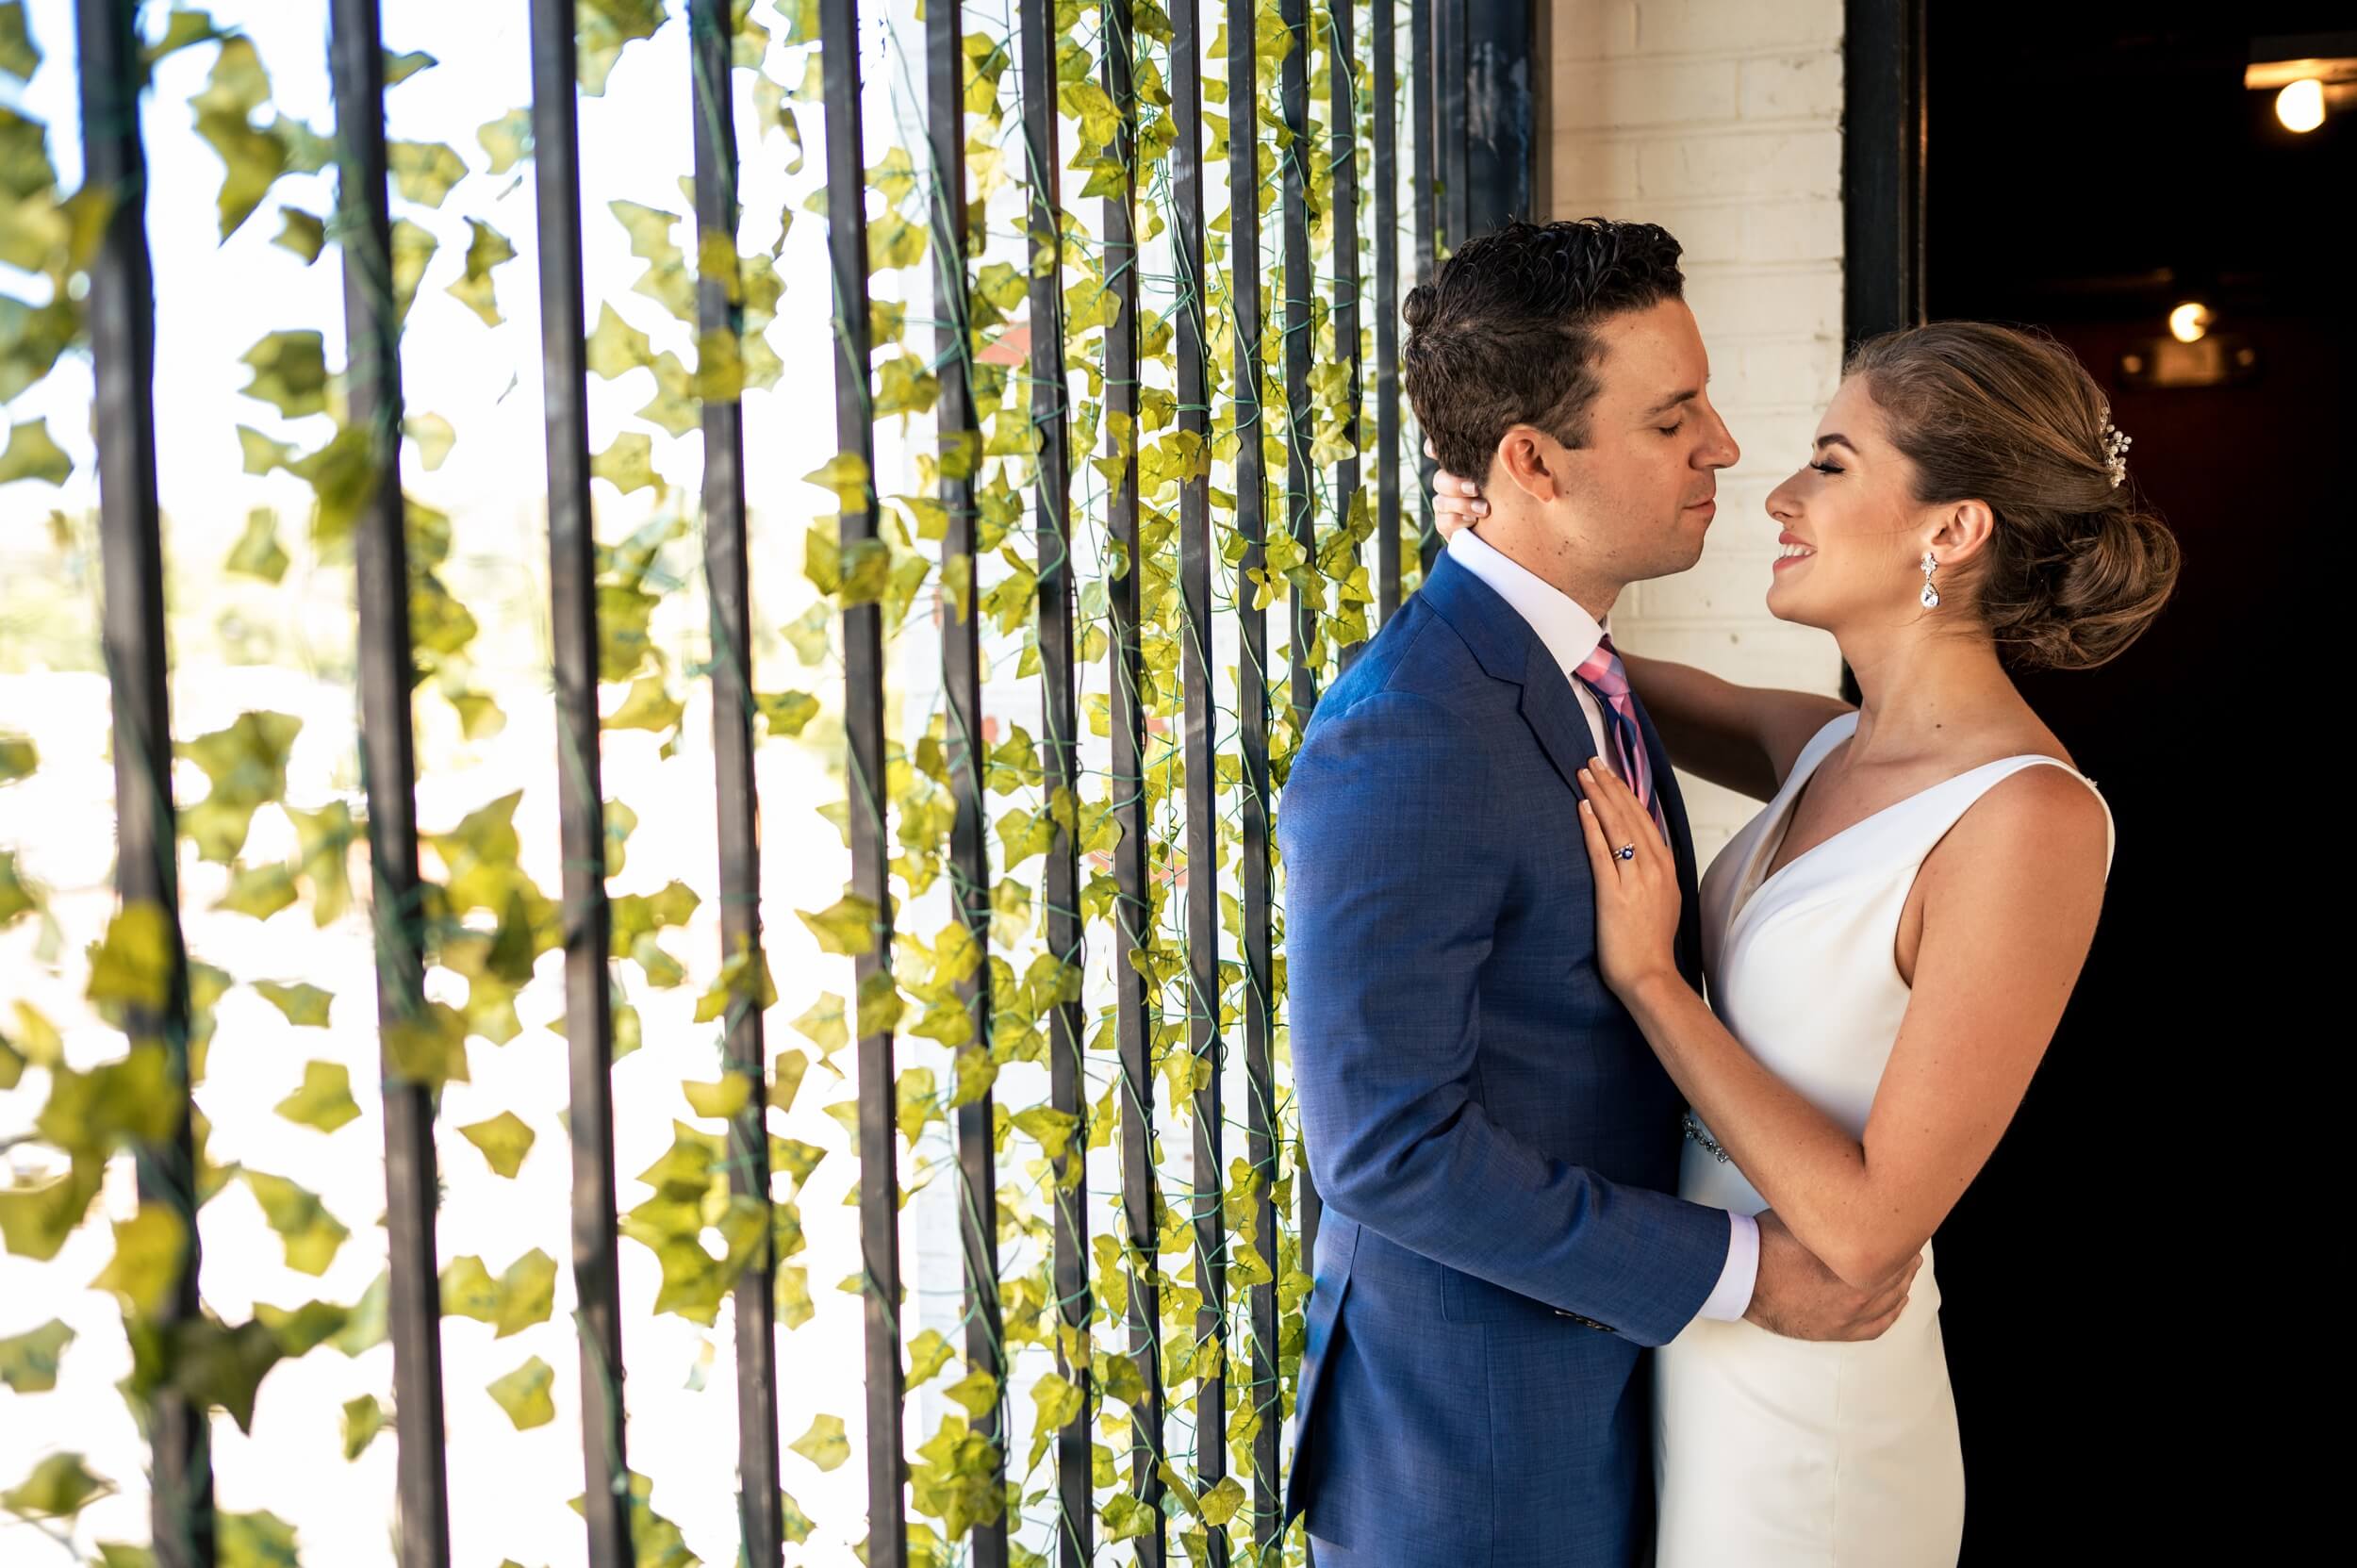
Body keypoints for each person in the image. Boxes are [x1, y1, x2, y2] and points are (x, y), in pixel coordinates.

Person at [1427, 316, 2179, 1564]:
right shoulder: (1824, 742)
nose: (1777, 493)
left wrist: (1655, 981)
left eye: (1831, 463)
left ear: (1951, 530)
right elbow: (1577, 667)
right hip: (1699, 1348)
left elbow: (1871, 1229)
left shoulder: (2029, 820)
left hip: (1819, 1420)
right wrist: (1505, 536)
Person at [1276, 218, 1923, 1568]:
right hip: (1476, 1458)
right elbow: (1385, 1147)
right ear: (1530, 461)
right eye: (1673, 417)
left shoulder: (1573, 667)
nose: (1727, 449)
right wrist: (1743, 1274)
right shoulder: (1404, 733)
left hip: (1643, 1414)